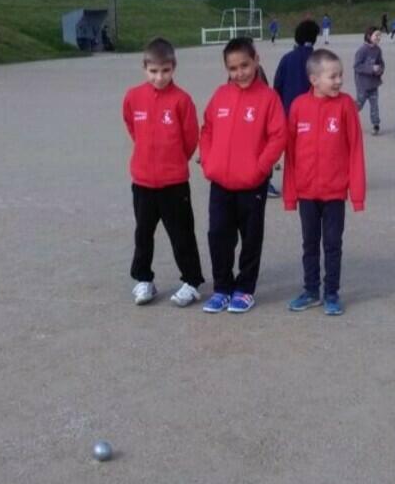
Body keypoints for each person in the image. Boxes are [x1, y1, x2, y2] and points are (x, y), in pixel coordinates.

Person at [200, 37, 287, 313]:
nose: (240, 73)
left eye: (245, 65)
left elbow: (278, 136)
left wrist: (260, 168)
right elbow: (207, 129)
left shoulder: (269, 98)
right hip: (220, 182)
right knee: (218, 236)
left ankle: (245, 288)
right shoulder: (220, 95)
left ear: (256, 60)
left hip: (252, 184)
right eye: (233, 68)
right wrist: (209, 162)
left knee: (250, 237)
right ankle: (222, 287)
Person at [122, 37, 205, 307]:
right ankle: (143, 279)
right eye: (154, 71)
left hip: (174, 183)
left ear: (174, 67)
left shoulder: (182, 100)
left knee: (182, 234)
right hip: (143, 182)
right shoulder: (133, 97)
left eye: (165, 70)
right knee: (143, 234)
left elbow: (190, 138)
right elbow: (132, 127)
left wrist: (174, 161)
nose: (160, 77)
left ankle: (191, 281)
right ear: (144, 68)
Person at [283, 49, 366, 316]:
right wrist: (290, 194)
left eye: (340, 75)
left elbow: (355, 149)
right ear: (314, 79)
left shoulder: (346, 105)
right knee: (309, 243)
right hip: (307, 192)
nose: (339, 81)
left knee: (332, 244)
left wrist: (357, 194)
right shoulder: (298, 106)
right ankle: (311, 291)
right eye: (333, 76)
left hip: (334, 192)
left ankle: (331, 292)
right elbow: (290, 153)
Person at [271, 19, 320, 193]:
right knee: (312, 148)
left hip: (289, 111)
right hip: (314, 112)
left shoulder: (287, 58)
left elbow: (277, 85)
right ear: (314, 38)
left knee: (290, 148)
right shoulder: (318, 60)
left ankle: (291, 181)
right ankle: (311, 179)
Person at [354, 26, 385, 136]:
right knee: (358, 105)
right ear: (368, 36)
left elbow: (381, 63)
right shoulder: (362, 50)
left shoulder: (378, 50)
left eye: (379, 35)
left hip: (373, 84)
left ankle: (376, 125)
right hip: (363, 85)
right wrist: (371, 68)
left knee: (374, 105)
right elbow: (357, 66)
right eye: (376, 35)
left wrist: (380, 70)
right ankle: (345, 118)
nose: (378, 37)